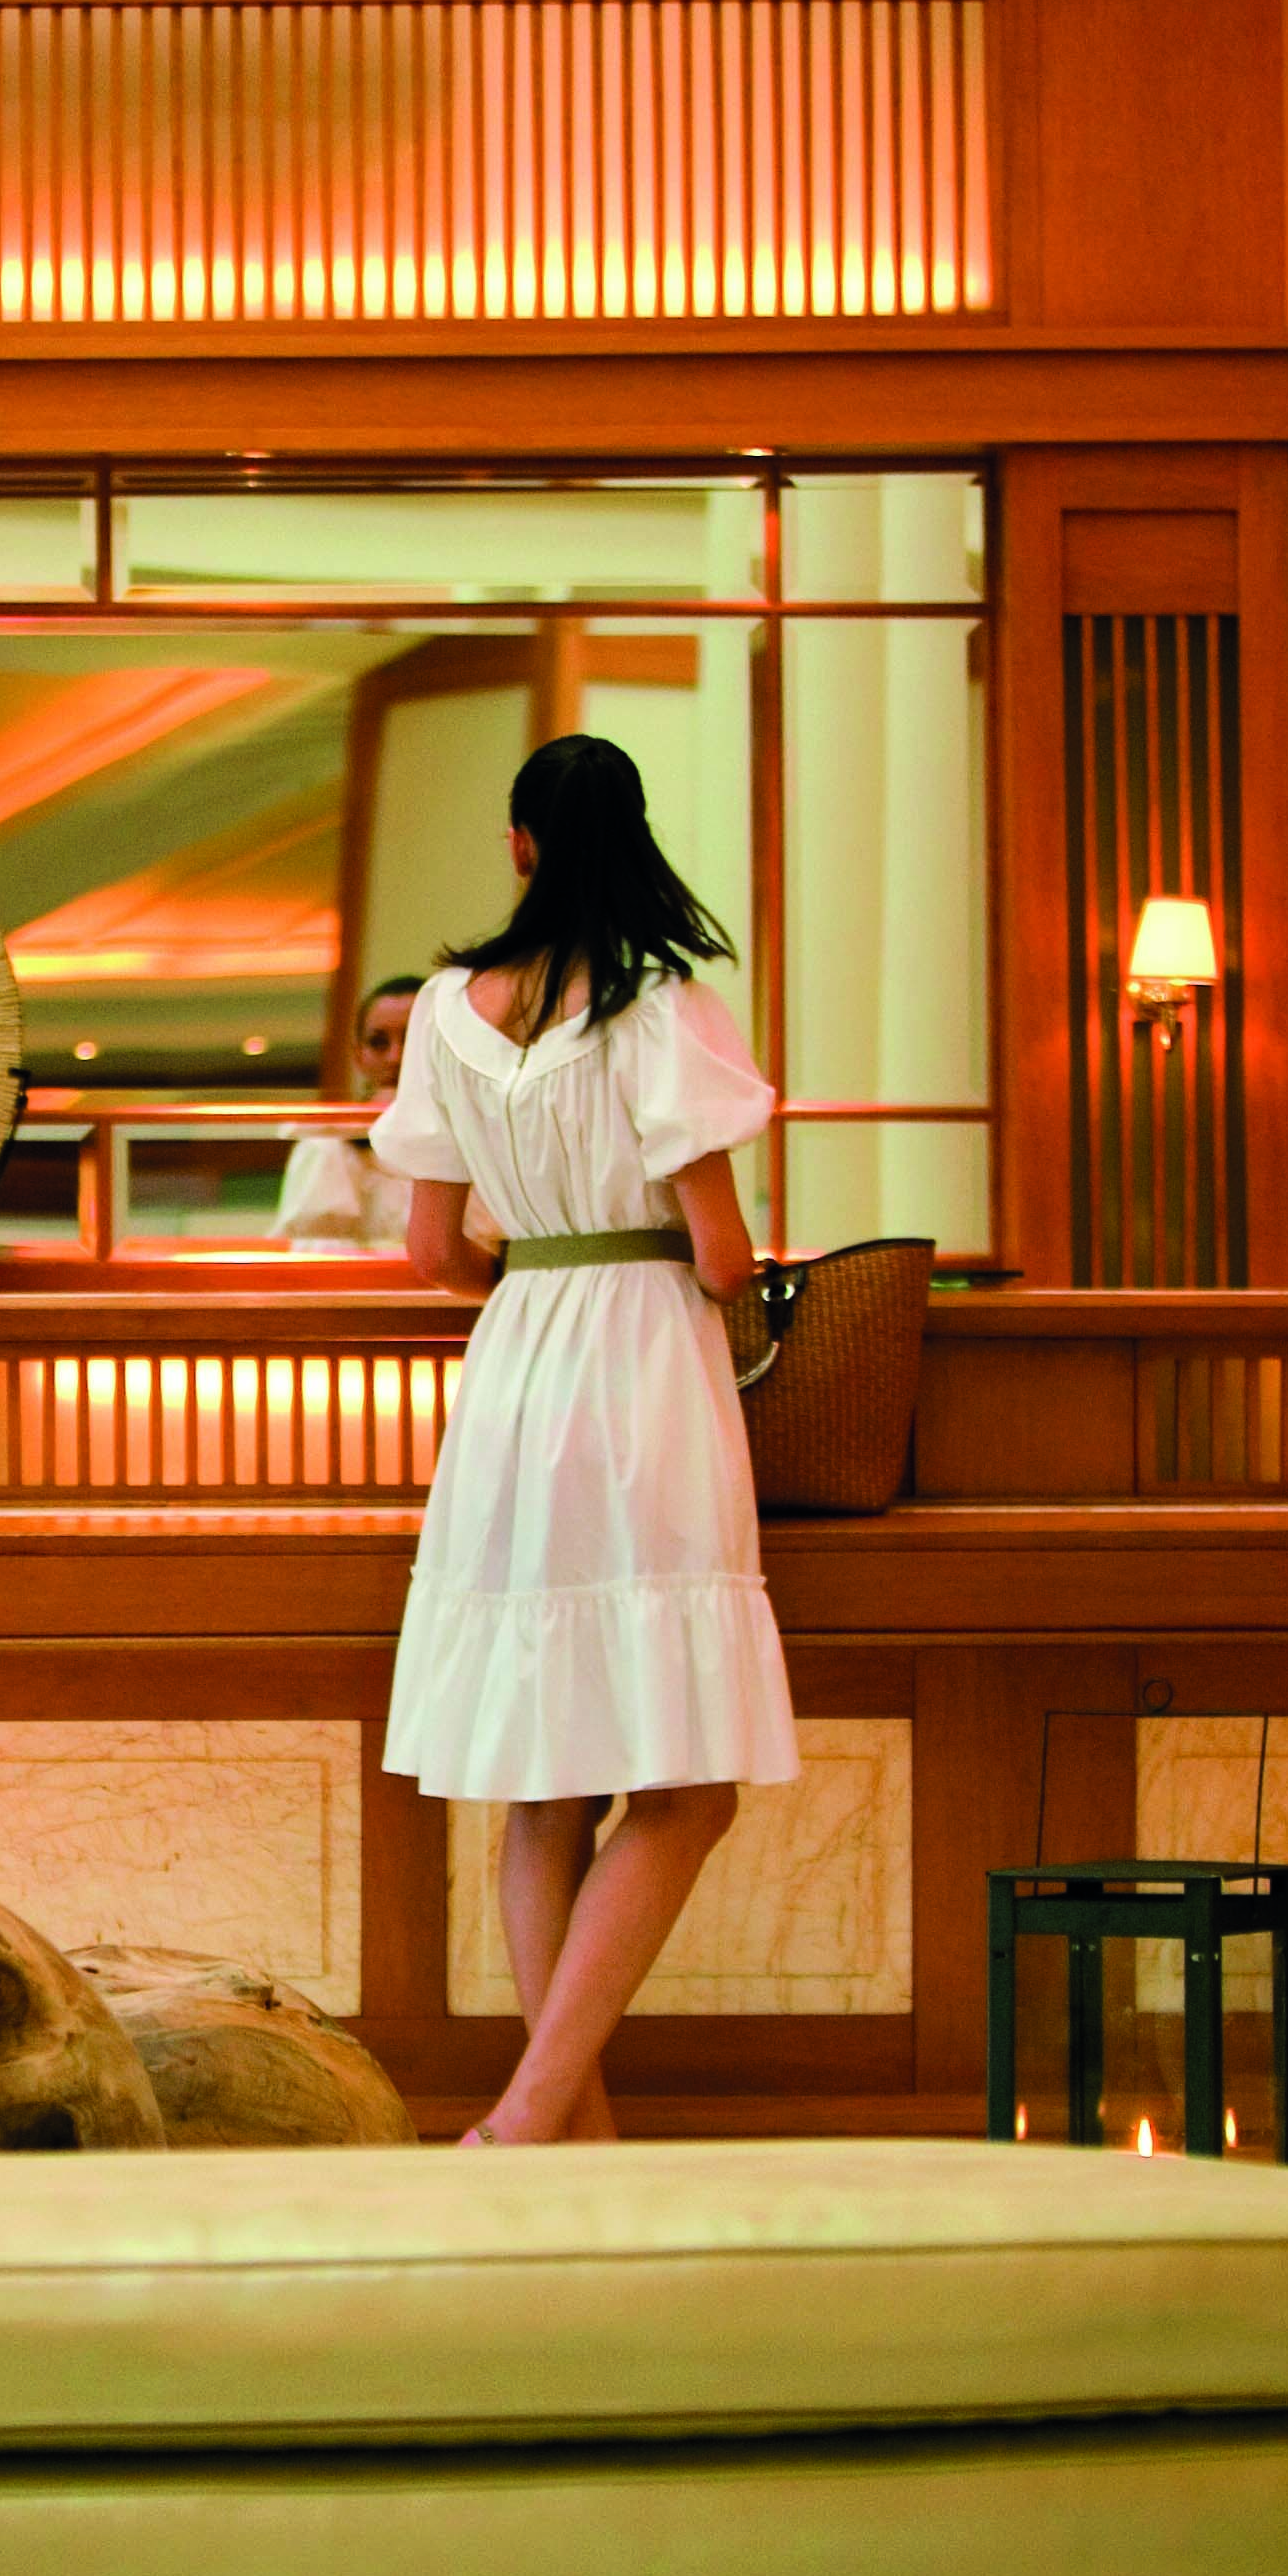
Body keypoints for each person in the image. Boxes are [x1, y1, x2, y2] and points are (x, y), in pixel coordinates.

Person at [366, 733, 799, 2145]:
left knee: (547, 1783)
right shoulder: (660, 1007)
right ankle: (535, 2113)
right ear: (634, 839)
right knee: (688, 1786)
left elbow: (435, 1247)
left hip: (514, 1365)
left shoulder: (441, 1009)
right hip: (643, 1372)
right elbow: (724, 1256)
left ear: (520, 845)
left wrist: (535, 1273)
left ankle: (564, 2130)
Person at [273, 977, 426, 1252]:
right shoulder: (329, 1145)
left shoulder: (477, 1136)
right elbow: (319, 1265)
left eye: (413, 1039)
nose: (395, 1057)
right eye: (379, 1043)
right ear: (359, 1056)